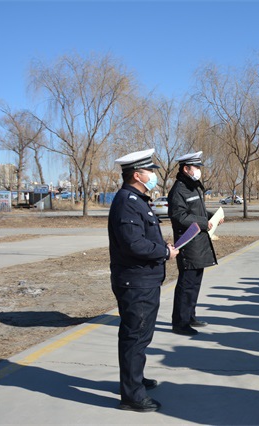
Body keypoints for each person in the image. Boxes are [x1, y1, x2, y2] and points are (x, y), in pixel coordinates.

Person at [108, 148, 179, 412]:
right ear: (137, 174)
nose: (153, 176)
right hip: (135, 281)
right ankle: (131, 396)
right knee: (134, 337)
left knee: (141, 336)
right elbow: (133, 244)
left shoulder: (137, 199)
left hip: (144, 279)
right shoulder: (127, 201)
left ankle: (134, 380)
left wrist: (162, 245)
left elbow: (142, 238)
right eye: (150, 172)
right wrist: (164, 252)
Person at [168, 151, 223, 336]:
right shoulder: (179, 190)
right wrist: (202, 223)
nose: (199, 171)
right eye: (196, 167)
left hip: (199, 243)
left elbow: (197, 211)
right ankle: (180, 323)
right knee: (186, 284)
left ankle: (189, 316)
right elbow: (179, 216)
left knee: (195, 283)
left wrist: (212, 217)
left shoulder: (193, 187)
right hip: (188, 243)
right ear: (186, 169)